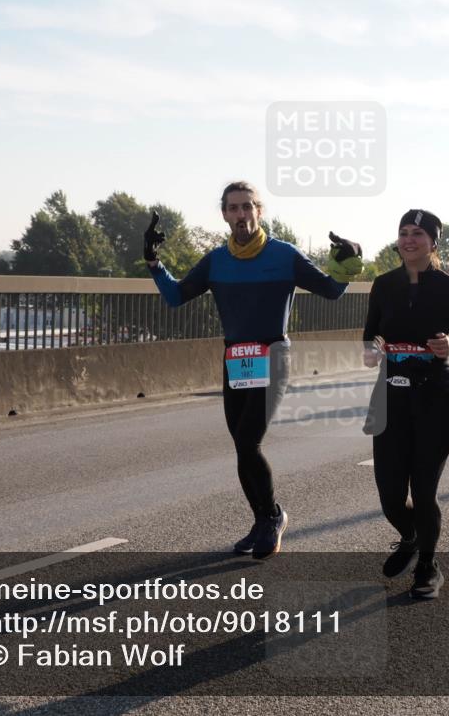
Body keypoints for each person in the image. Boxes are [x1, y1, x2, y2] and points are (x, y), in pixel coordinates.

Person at [145, 181, 363, 558]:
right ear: (224, 214)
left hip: (272, 355)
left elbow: (330, 290)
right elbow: (176, 296)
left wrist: (348, 260)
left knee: (249, 441)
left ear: (259, 212)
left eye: (247, 207)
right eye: (233, 208)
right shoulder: (216, 260)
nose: (241, 214)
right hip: (235, 359)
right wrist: (153, 262)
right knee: (242, 447)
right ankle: (263, 517)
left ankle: (272, 517)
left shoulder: (284, 254)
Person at [362, 209, 449, 600]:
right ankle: (410, 535)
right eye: (403, 233)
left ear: (433, 242)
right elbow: (371, 334)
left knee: (424, 491)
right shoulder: (382, 285)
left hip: (434, 399)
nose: (409, 239)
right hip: (391, 398)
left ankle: (428, 566)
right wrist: (373, 348)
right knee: (390, 496)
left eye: (417, 233)